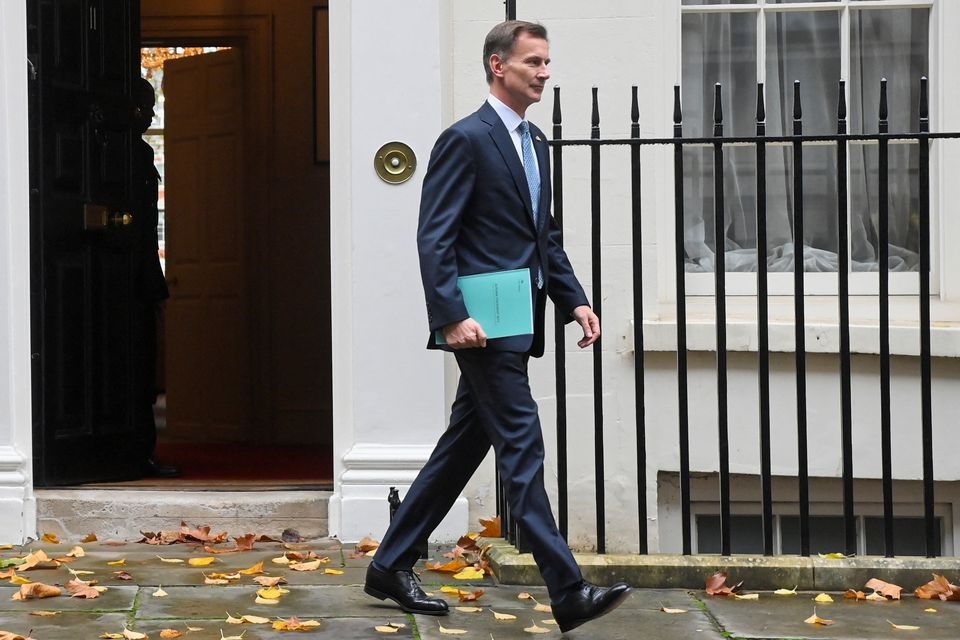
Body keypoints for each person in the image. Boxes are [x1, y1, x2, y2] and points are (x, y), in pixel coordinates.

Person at [363, 20, 631, 633]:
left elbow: (544, 239)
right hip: (481, 326)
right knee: (522, 448)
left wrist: (575, 301)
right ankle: (567, 590)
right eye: (533, 61)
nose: (544, 72)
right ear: (496, 66)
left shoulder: (535, 143)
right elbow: (436, 236)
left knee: (464, 445)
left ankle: (390, 564)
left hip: (518, 319)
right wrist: (451, 315)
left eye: (546, 62)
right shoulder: (465, 139)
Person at [131, 77, 179, 478]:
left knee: (145, 368)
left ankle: (142, 452)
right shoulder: (118, 153)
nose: (148, 116)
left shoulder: (142, 153)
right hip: (118, 276)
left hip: (141, 277)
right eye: (142, 107)